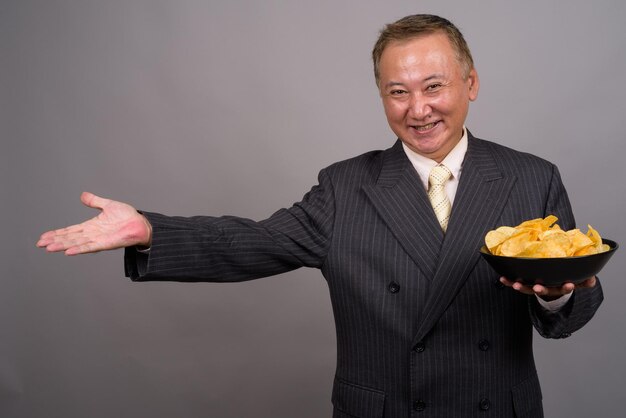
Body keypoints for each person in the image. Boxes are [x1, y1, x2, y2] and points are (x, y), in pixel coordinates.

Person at [37, 14, 602, 418]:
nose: (418, 108)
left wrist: (554, 293)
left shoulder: (532, 177)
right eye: (397, 91)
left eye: (435, 86)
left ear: (470, 84)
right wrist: (151, 230)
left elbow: (571, 312)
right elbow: (252, 243)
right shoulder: (346, 186)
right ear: (381, 96)